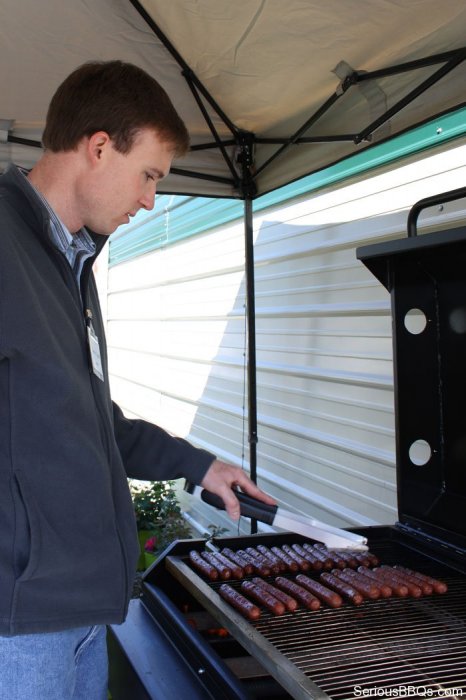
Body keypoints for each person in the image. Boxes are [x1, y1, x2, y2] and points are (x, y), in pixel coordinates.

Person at [0, 60, 274, 700]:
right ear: (98, 148)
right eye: (149, 174)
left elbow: (93, 422)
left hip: (86, 612)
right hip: (19, 628)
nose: (151, 199)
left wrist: (199, 465)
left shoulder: (72, 264)